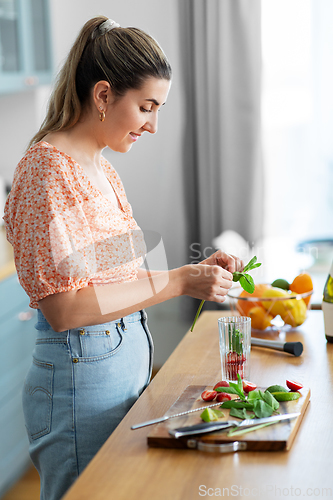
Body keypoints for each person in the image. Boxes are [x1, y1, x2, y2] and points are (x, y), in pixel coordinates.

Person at [3, 16, 244, 500]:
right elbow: (65, 308)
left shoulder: (101, 168)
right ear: (103, 95)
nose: (153, 125)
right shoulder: (47, 172)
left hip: (119, 366)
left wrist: (195, 275)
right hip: (79, 380)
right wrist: (176, 282)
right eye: (146, 107)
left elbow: (116, 276)